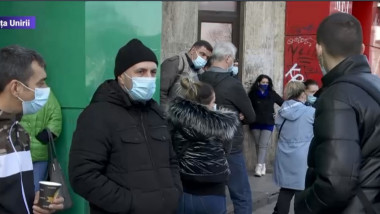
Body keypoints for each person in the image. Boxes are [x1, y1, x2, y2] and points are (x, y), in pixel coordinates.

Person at [69, 39, 182, 214]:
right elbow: (83, 176)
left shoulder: (156, 113)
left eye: (153, 72)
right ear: (121, 76)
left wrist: (174, 192)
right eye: (140, 72)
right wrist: (130, 204)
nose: (149, 78)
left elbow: (171, 161)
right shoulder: (97, 114)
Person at [295, 13, 380, 214]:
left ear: (318, 49)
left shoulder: (338, 96)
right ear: (361, 49)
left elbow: (335, 184)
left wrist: (303, 205)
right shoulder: (375, 84)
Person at [0, 45, 64, 214]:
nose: (46, 90)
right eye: (40, 83)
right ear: (16, 88)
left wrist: (32, 203)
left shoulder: (18, 132)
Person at [199, 42, 256, 214]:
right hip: (230, 146)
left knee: (213, 194)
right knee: (241, 196)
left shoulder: (199, 79)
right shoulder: (233, 84)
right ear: (228, 58)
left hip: (202, 144)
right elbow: (251, 116)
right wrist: (238, 117)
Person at [168, 77, 239, 214]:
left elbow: (172, 152)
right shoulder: (223, 126)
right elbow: (226, 151)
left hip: (184, 189)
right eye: (213, 101)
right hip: (214, 191)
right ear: (208, 103)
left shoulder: (176, 122)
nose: (214, 105)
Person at [272, 81, 315, 214]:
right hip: (303, 155)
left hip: (283, 154)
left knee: (285, 189)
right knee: (301, 191)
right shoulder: (311, 112)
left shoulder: (280, 112)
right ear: (303, 94)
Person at [20, 91, 62, 191]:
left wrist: (45, 136)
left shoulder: (47, 95)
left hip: (38, 153)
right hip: (19, 151)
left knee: (36, 190)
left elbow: (56, 118)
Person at [160, 40, 213, 112]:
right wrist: (165, 114)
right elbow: (161, 92)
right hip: (172, 115)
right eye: (202, 54)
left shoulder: (201, 72)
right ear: (193, 50)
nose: (205, 59)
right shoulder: (175, 63)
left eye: (207, 57)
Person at [248, 74, 284, 177]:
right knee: (258, 144)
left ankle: (258, 166)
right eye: (263, 82)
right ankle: (263, 164)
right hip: (255, 122)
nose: (265, 84)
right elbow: (247, 106)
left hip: (268, 122)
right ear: (258, 83)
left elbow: (283, 103)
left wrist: (278, 115)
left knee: (263, 144)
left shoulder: (272, 94)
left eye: (267, 83)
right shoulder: (252, 94)